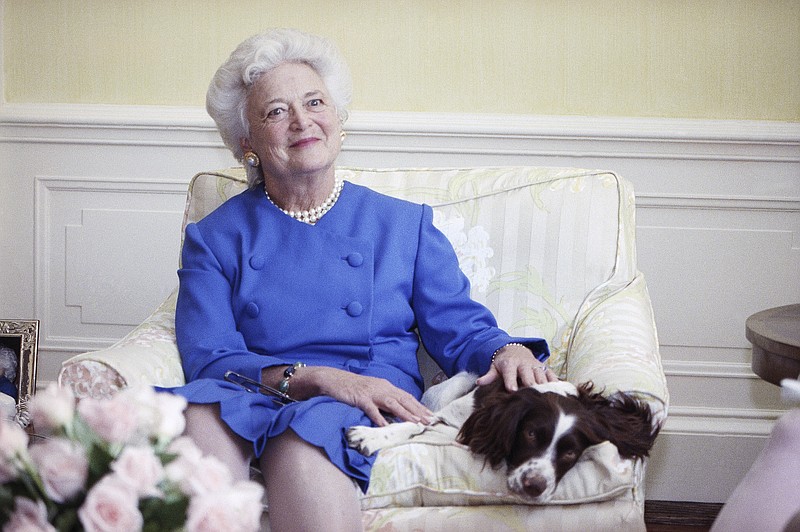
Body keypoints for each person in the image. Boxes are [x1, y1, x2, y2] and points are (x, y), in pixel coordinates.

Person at [167, 28, 555, 532]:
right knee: (198, 415)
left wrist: (506, 352)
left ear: (339, 119)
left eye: (314, 102)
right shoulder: (215, 237)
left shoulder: (403, 225)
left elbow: (457, 327)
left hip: (363, 394)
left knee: (301, 440)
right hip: (259, 386)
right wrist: (315, 376)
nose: (302, 121)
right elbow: (208, 357)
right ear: (247, 144)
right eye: (276, 111)